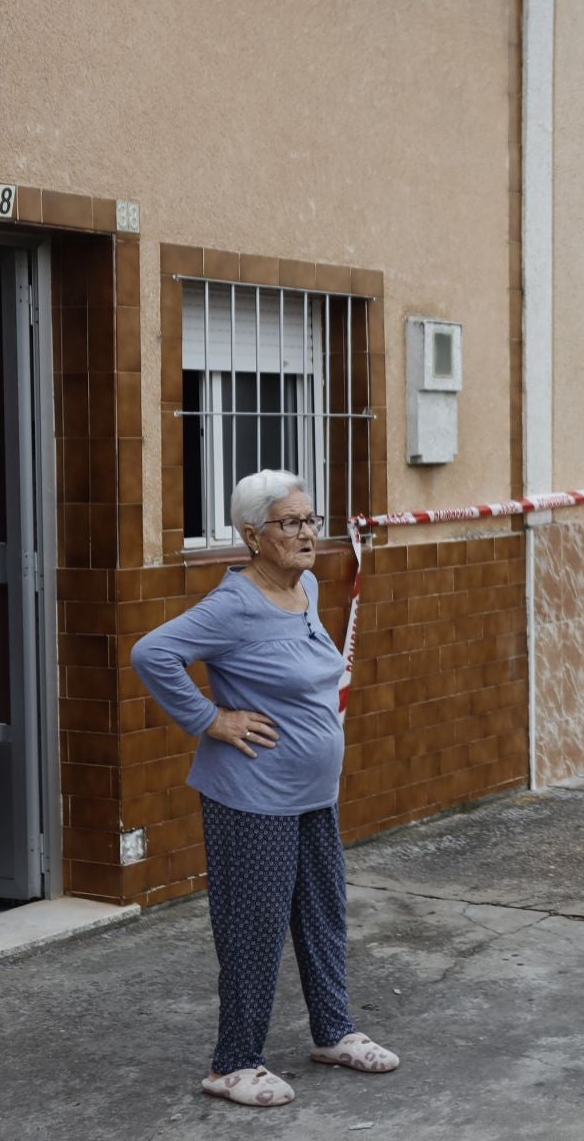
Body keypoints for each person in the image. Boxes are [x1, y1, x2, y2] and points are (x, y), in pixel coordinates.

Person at [132, 470, 399, 1107]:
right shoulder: (234, 604)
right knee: (254, 929)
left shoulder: (304, 585)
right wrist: (209, 718)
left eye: (309, 520)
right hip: (252, 796)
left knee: (323, 913)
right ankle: (234, 1063)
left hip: (312, 792)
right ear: (253, 536)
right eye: (290, 523)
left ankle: (334, 1031)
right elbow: (152, 653)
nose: (307, 533)